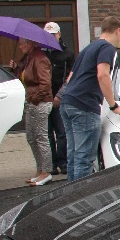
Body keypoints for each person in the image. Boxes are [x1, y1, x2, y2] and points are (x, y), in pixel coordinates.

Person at [57, 16, 120, 181]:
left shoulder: (88, 48)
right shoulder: (107, 48)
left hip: (68, 102)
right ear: (117, 30)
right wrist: (113, 105)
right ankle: (81, 194)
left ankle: (71, 190)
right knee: (84, 158)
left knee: (74, 154)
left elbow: (70, 78)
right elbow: (103, 75)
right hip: (84, 105)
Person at [11, 38, 54, 186]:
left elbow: (45, 83)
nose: (20, 47)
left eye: (22, 44)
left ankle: (46, 171)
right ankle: (40, 169)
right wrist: (16, 68)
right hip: (31, 101)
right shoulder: (28, 58)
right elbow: (24, 78)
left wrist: (35, 98)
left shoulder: (40, 59)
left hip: (40, 102)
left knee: (41, 137)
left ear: (30, 43)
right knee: (31, 137)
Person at [44, 22, 73, 176]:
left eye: (53, 34)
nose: (51, 37)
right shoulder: (40, 54)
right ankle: (52, 163)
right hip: (44, 98)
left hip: (60, 99)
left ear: (59, 34)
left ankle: (63, 162)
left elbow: (71, 77)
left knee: (62, 133)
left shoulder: (67, 54)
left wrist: (60, 95)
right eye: (48, 35)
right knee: (48, 133)